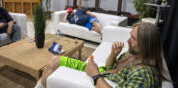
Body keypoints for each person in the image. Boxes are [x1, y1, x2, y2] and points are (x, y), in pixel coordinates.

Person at [35, 22, 166, 88]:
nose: (128, 41)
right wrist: (113, 55)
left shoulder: (145, 74)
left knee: (51, 67)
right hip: (103, 72)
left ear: (147, 44)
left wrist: (95, 75)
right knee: (55, 60)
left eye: (134, 39)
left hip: (99, 75)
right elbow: (110, 67)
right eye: (130, 36)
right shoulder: (134, 54)